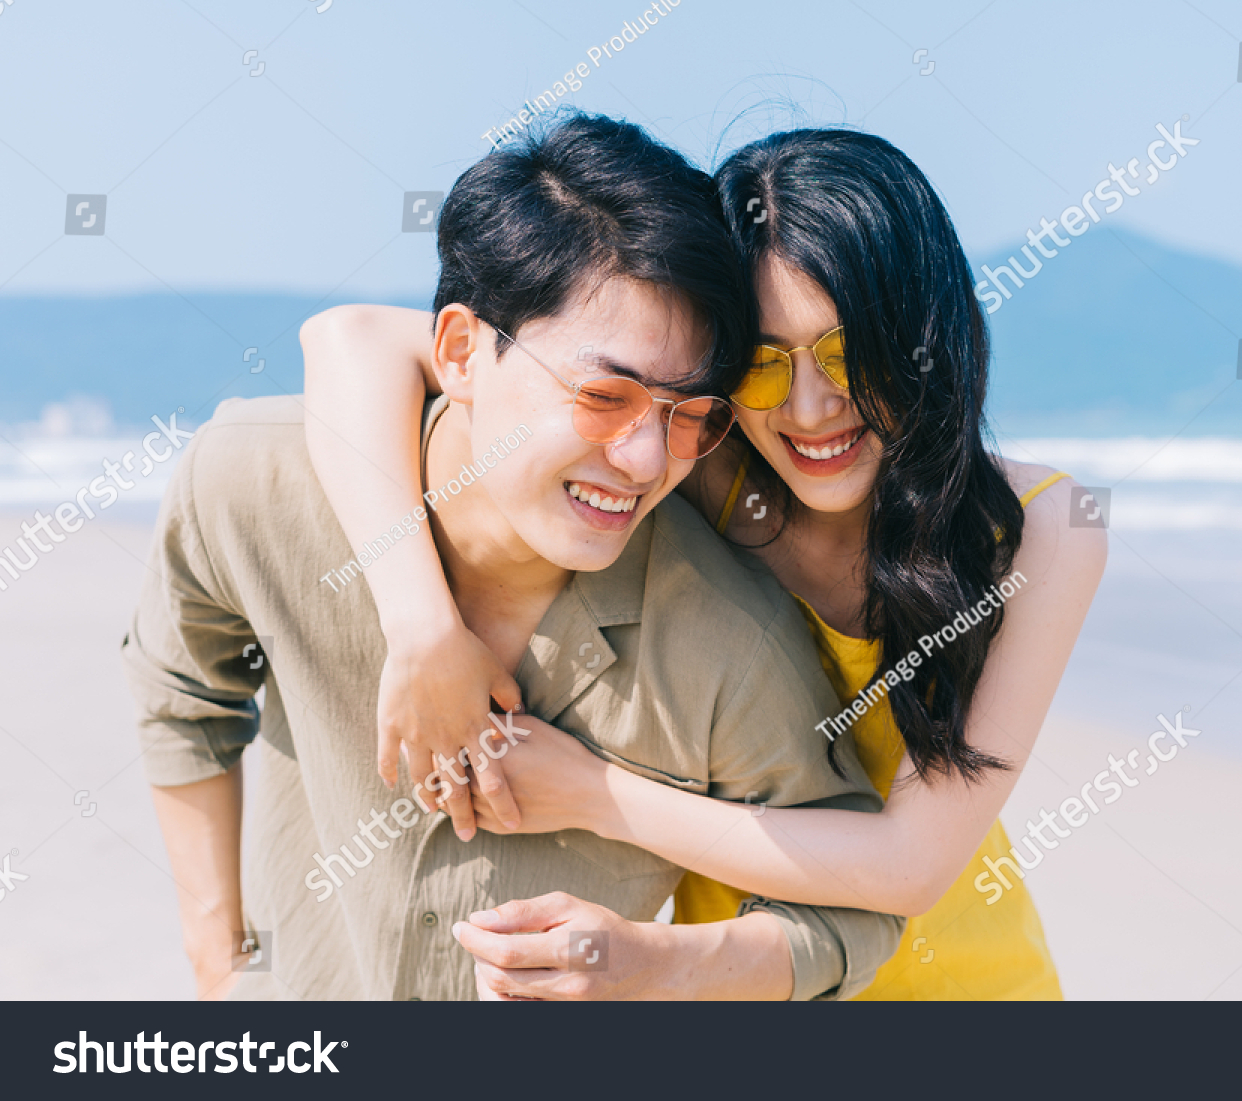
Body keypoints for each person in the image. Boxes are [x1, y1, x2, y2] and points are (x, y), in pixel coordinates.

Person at [302, 126, 1106, 1000]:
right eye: (763, 364)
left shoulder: (1033, 529)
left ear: (924, 332)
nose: (810, 408)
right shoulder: (690, 455)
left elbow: (909, 867)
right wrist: (420, 626)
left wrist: (589, 792)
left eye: (850, 353)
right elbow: (350, 341)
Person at [124, 115, 902, 1002]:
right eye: (605, 396)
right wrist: (217, 953)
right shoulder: (248, 482)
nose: (649, 463)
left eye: (689, 415)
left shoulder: (727, 636)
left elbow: (856, 910)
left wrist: (657, 967)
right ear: (460, 350)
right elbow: (180, 695)